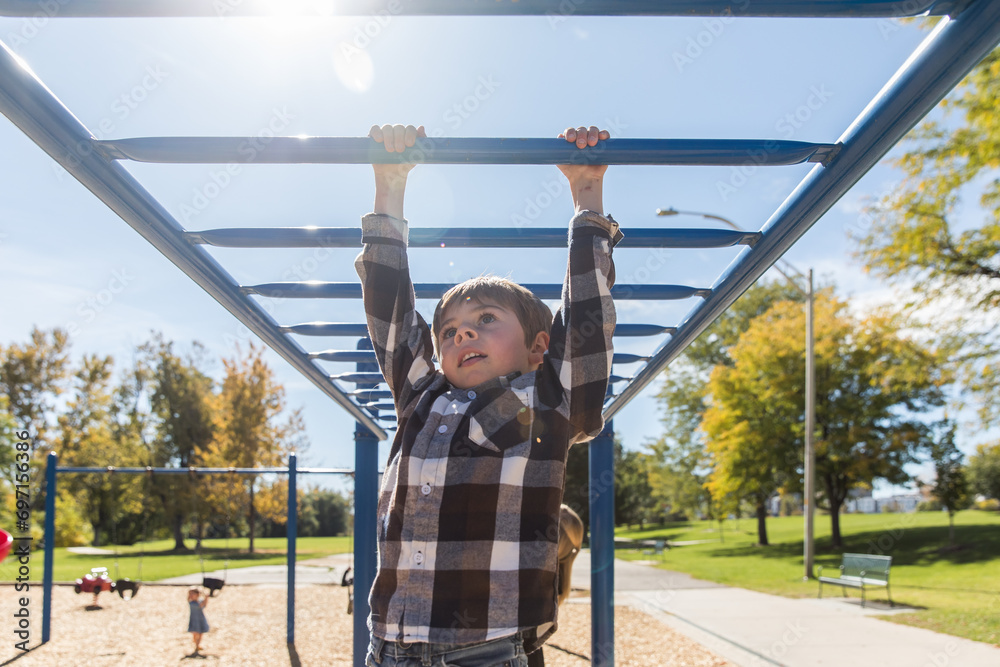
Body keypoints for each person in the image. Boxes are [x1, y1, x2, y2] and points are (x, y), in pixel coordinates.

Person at [357, 123, 621, 667]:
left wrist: (586, 198)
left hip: (487, 653)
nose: (462, 335)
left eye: (484, 320)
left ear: (537, 347)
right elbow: (390, 315)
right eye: (448, 332)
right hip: (389, 644)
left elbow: (589, 316)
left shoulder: (548, 398)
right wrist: (390, 186)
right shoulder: (421, 395)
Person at [186, 587, 210, 654]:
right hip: (194, 620)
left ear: (197, 594)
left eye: (192, 594)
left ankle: (198, 645)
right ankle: (196, 644)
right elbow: (201, 605)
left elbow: (204, 605)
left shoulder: (199, 601)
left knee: (200, 633)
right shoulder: (192, 603)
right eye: (190, 594)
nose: (191, 595)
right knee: (195, 633)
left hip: (200, 619)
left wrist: (206, 597)